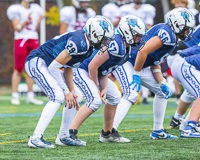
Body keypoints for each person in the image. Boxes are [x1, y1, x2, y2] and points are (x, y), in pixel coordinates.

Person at [25, 15, 114, 148]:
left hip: (47, 65)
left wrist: (71, 91)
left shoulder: (88, 46)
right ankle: (36, 138)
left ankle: (64, 136)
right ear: (95, 34)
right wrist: (66, 92)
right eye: (104, 38)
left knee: (77, 95)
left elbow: (68, 68)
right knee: (58, 96)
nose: (105, 42)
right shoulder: (80, 42)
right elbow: (54, 67)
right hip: (38, 62)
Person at [60, 15, 147, 146]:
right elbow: (93, 66)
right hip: (81, 69)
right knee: (94, 100)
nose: (140, 39)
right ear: (127, 32)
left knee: (115, 96)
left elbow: (105, 69)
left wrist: (104, 87)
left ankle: (107, 133)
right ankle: (69, 133)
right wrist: (96, 87)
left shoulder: (126, 46)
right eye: (137, 35)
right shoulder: (116, 44)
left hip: (94, 72)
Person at [112, 8, 195, 140]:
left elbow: (154, 61)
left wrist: (161, 81)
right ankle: (110, 131)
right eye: (186, 28)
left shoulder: (172, 38)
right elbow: (142, 51)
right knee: (132, 94)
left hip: (141, 64)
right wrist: (137, 74)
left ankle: (157, 130)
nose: (188, 32)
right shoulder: (167, 33)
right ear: (177, 25)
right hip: (127, 61)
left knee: (162, 93)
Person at [7, 0, 44, 105]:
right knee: (18, 68)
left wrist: (37, 21)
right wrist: (26, 20)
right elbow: (17, 28)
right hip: (21, 39)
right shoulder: (16, 9)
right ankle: (15, 95)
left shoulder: (36, 8)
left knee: (31, 68)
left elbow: (37, 25)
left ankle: (30, 96)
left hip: (33, 39)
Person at [169, 24, 200, 129]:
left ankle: (179, 121)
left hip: (181, 61)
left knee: (191, 92)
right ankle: (190, 127)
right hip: (186, 64)